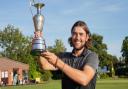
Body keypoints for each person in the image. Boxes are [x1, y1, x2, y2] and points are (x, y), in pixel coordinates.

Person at [38, 20, 99, 89]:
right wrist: (40, 45)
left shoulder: (91, 56)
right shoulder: (64, 56)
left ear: (87, 37)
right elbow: (45, 65)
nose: (77, 37)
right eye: (74, 34)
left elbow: (84, 79)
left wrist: (57, 62)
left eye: (81, 34)